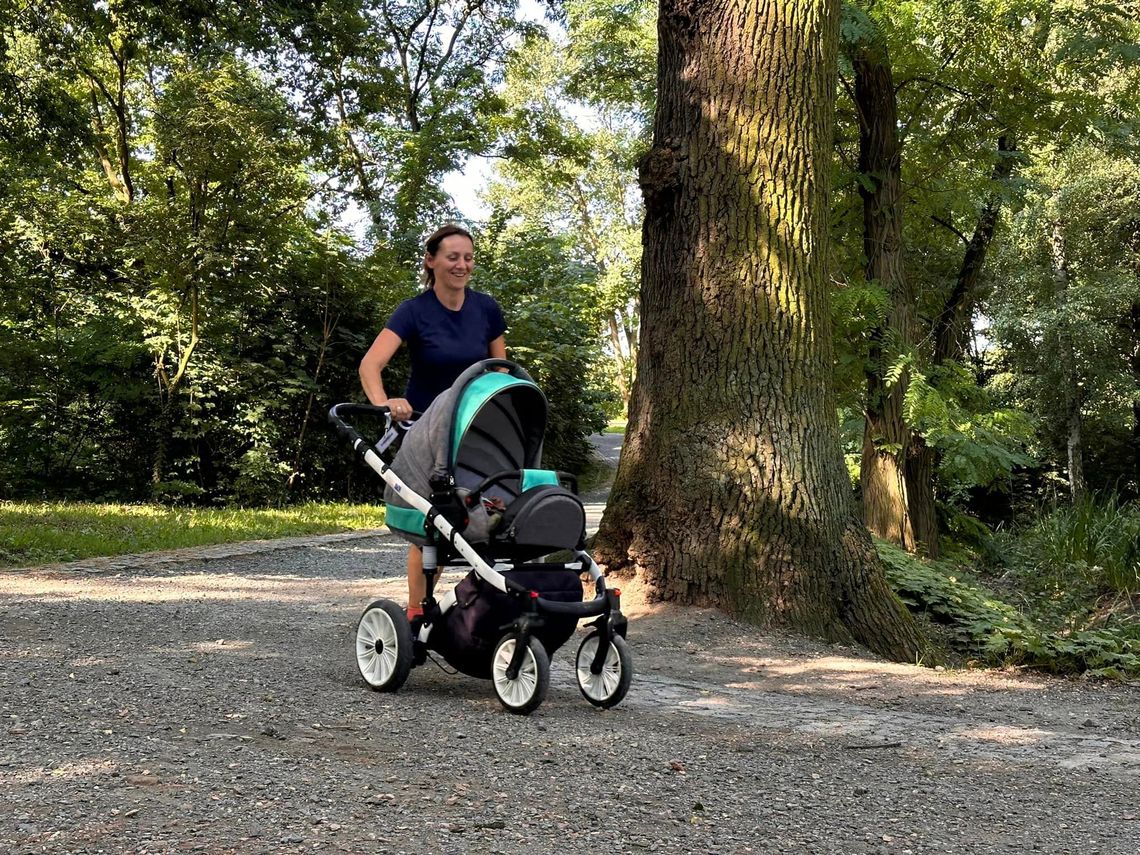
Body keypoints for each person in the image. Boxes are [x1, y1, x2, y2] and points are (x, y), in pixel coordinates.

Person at [359, 224, 507, 621]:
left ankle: (483, 607)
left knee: (490, 512)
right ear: (431, 261)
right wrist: (385, 404)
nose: (462, 265)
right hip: (426, 430)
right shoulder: (414, 312)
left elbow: (500, 372)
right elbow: (371, 365)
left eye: (468, 257)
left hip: (474, 429)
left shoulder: (486, 309)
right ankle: (415, 614)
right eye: (453, 257)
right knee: (432, 524)